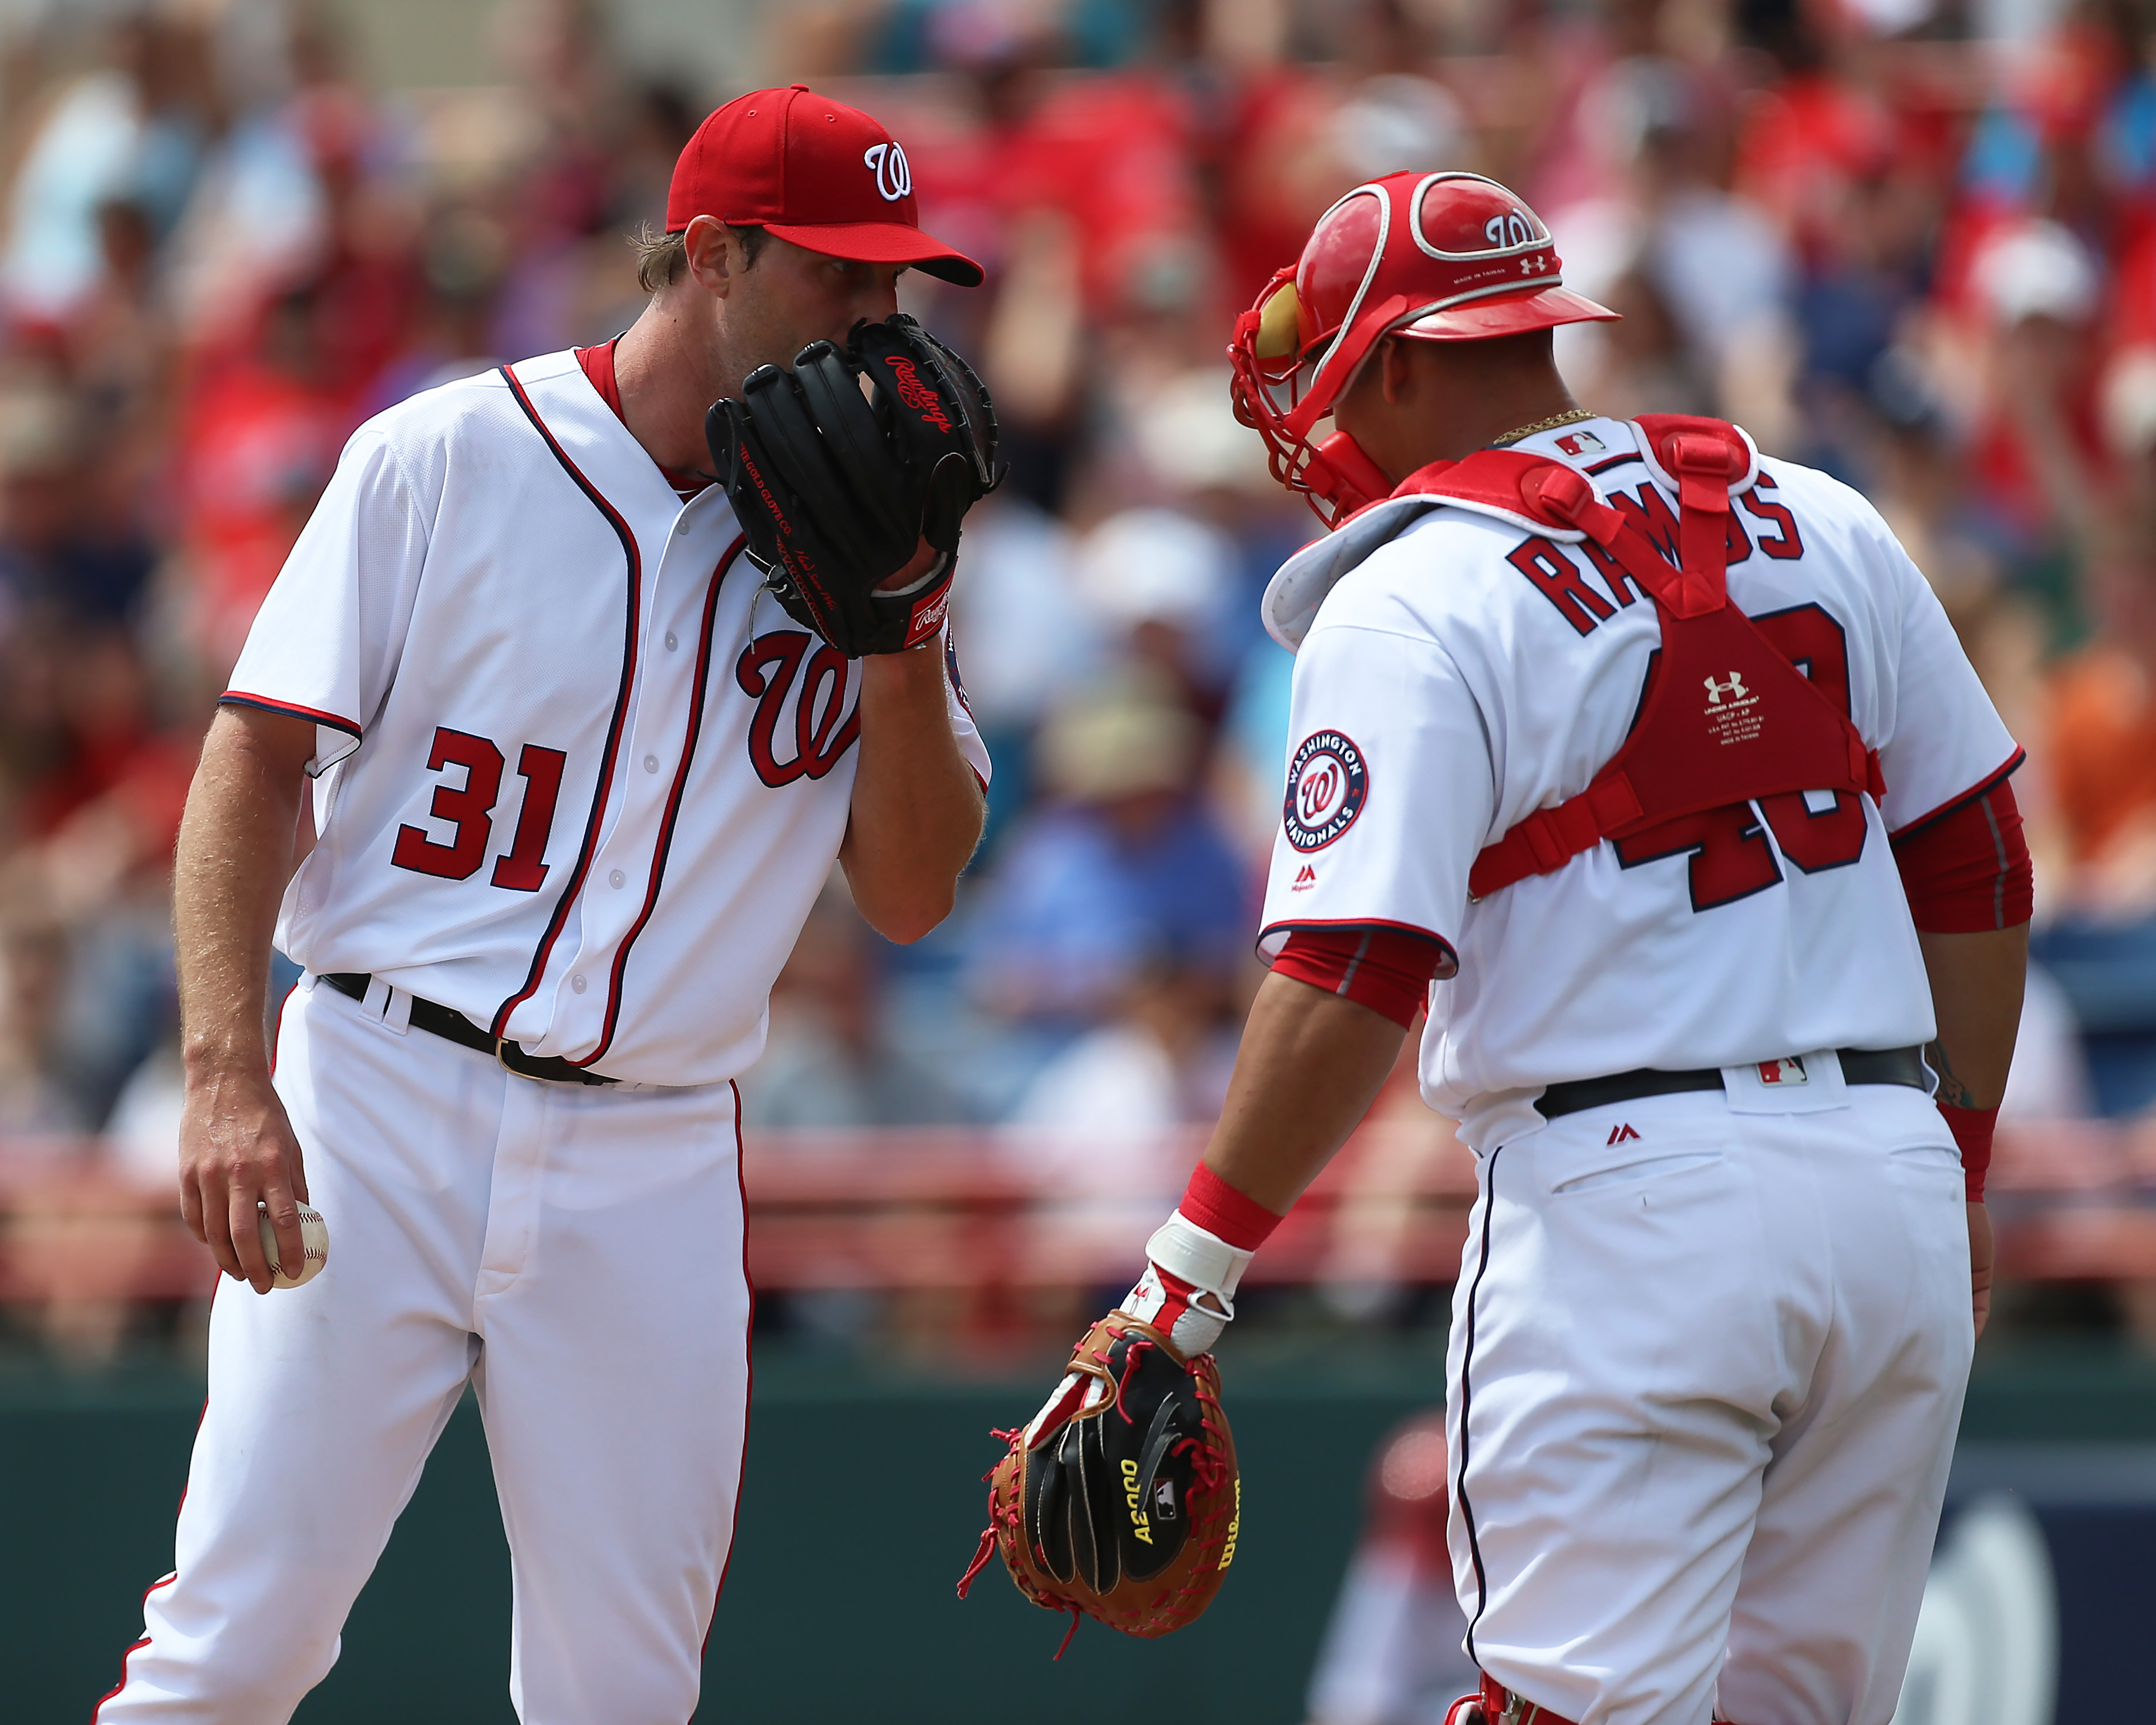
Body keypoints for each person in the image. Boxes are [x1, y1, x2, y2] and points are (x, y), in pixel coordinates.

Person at [96, 86, 990, 1721]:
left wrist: (903, 629)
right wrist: (225, 1072)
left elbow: (917, 892)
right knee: (242, 1640)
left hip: (648, 1152)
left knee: (622, 1694)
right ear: (710, 255)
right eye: (839, 277)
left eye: (896, 287)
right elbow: (250, 764)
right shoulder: (447, 455)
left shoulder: (873, 521)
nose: (879, 322)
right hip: (379, 1095)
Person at [1095, 171, 2031, 1725]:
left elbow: (1350, 970)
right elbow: (1977, 851)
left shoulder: (1412, 591)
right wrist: (1965, 1154)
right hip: (1891, 1178)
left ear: (1398, 364)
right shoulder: (1820, 510)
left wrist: (1179, 1285)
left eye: (1330, 370)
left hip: (1630, 1198)